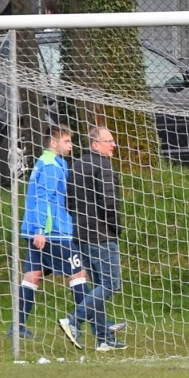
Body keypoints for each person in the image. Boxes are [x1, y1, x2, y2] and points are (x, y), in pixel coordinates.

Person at [16, 124, 90, 344]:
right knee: (78, 274)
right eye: (66, 141)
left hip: (41, 230)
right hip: (52, 232)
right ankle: (93, 325)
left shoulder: (49, 162)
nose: (71, 145)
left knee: (33, 276)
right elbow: (43, 198)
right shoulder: (50, 166)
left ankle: (17, 326)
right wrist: (41, 230)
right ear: (53, 142)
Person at [64, 125, 127, 351]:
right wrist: (116, 228)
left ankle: (103, 339)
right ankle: (74, 319)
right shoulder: (104, 166)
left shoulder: (76, 166)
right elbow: (109, 202)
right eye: (109, 141)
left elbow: (69, 202)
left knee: (99, 285)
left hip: (80, 234)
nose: (114, 145)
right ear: (95, 145)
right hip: (101, 235)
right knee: (110, 284)